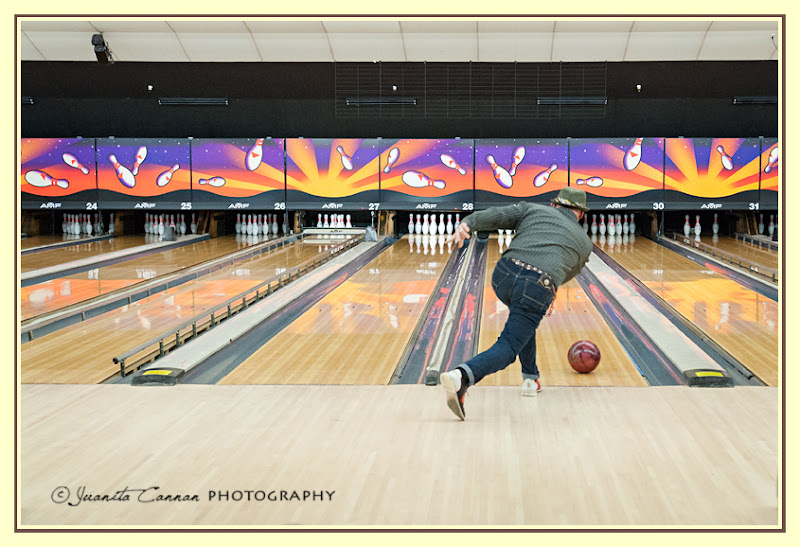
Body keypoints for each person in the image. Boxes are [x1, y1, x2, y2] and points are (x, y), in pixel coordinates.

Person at [440, 187, 593, 420]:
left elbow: (497, 215)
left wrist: (468, 223)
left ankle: (530, 378)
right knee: (509, 346)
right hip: (537, 286)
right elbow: (567, 272)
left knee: (522, 320)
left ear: (554, 205)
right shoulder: (584, 243)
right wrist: (548, 288)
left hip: (504, 274)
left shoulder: (532, 209)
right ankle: (462, 376)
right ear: (581, 214)